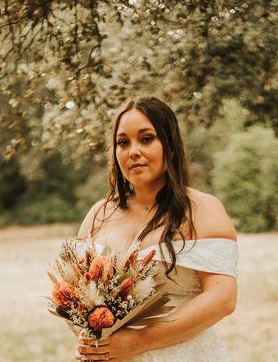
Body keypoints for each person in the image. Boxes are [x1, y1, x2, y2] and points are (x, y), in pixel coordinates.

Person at [74, 96, 238, 362]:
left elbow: (222, 299)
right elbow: (76, 295)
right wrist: (90, 337)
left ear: (170, 146)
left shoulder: (203, 209)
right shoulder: (99, 215)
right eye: (123, 142)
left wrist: (138, 341)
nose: (133, 151)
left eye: (146, 139)